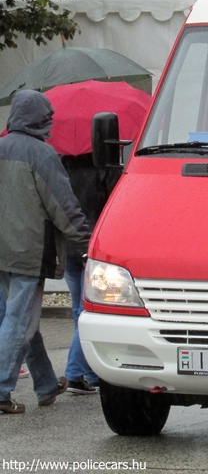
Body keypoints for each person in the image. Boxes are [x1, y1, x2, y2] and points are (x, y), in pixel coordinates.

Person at [0, 90, 91, 414]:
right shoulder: (42, 154)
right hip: (29, 250)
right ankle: (1, 390)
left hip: (3, 251)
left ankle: (45, 385)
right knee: (19, 321)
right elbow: (63, 207)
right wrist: (88, 243)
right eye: (48, 117)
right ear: (40, 118)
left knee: (24, 320)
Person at [61, 154, 121, 395]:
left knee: (79, 309)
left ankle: (91, 372)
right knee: (90, 309)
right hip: (95, 242)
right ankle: (76, 373)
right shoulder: (104, 167)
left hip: (67, 244)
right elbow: (117, 202)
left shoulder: (60, 166)